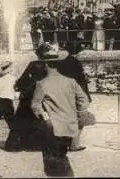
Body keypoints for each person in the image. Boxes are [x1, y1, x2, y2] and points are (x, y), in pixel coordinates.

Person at [31, 42, 90, 177]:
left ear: (45, 64)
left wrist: (46, 118)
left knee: (51, 162)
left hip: (53, 128)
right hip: (69, 127)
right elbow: (84, 100)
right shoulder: (71, 81)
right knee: (62, 156)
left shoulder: (42, 84)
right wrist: (78, 115)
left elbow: (35, 105)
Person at [58, 42, 92, 151]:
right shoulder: (76, 63)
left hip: (65, 95)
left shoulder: (62, 63)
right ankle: (74, 144)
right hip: (77, 95)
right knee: (80, 120)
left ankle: (64, 143)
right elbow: (81, 81)